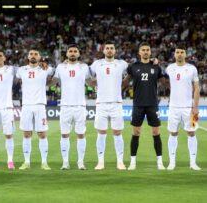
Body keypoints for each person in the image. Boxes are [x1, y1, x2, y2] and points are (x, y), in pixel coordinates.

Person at [124, 42, 165, 170]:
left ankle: (160, 162)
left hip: (153, 104)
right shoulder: (133, 67)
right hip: (138, 104)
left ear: (150, 52)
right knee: (136, 132)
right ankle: (132, 162)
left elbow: (164, 82)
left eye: (148, 49)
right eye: (144, 50)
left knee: (156, 132)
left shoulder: (156, 67)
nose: (146, 52)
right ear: (139, 52)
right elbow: (125, 82)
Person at [52, 45, 91, 170]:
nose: (73, 53)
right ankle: (65, 162)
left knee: (81, 134)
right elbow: (53, 81)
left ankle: (80, 162)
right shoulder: (60, 67)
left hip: (80, 105)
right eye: (70, 51)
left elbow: (91, 82)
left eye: (75, 51)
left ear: (79, 54)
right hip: (65, 106)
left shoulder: (84, 67)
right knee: (64, 135)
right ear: (67, 54)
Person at [90, 41, 127, 170]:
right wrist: (95, 84)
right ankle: (100, 162)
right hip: (101, 103)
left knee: (117, 132)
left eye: (112, 48)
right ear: (103, 50)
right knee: (101, 133)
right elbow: (86, 75)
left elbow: (135, 71)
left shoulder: (122, 64)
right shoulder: (96, 64)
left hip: (116, 103)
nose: (110, 50)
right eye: (107, 48)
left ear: (115, 51)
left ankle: (120, 161)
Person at [16, 48, 53, 170]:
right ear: (27, 56)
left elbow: (53, 72)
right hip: (26, 105)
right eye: (31, 54)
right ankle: (26, 162)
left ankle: (44, 162)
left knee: (42, 134)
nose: (33, 56)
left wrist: (46, 63)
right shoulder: (21, 70)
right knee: (26, 134)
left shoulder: (45, 69)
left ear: (39, 57)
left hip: (40, 105)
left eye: (36, 54)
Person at [166, 45, 201, 170]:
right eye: (177, 52)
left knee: (191, 133)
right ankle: (172, 162)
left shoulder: (192, 69)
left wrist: (195, 107)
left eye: (182, 52)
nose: (180, 54)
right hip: (173, 107)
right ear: (174, 54)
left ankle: (193, 163)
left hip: (188, 108)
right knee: (173, 133)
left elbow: (197, 88)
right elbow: (165, 83)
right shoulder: (169, 68)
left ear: (185, 54)